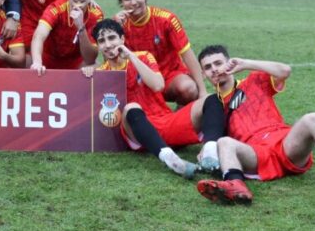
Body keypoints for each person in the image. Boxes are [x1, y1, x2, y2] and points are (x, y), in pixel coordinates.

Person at [195, 46, 315, 207]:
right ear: (203, 74)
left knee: (313, 118)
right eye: (208, 67)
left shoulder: (253, 81)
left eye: (218, 63)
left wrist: (246, 63)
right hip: (255, 153)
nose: (214, 70)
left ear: (228, 63)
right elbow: (209, 138)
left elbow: (284, 71)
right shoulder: (212, 106)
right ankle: (235, 187)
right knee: (225, 142)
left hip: (285, 143)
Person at [82, 19, 225, 177]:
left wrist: (131, 57)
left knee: (211, 99)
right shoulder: (102, 73)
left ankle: (210, 153)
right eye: (102, 41)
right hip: (138, 131)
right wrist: (87, 75)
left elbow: (158, 85)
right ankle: (170, 159)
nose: (108, 45)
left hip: (165, 120)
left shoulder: (143, 56)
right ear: (98, 46)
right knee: (131, 108)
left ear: (122, 39)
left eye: (112, 38)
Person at [114, 0, 205, 105]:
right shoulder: (118, 24)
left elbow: (187, 54)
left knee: (188, 88)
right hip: (140, 80)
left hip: (170, 77)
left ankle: (182, 114)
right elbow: (111, 61)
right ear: (121, 3)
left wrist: (202, 91)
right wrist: (116, 30)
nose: (133, 2)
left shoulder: (166, 19)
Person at [30, 0, 103, 75]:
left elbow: (90, 58)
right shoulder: (56, 8)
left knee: (97, 66)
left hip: (76, 64)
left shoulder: (96, 14)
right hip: (49, 60)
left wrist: (81, 27)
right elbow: (38, 36)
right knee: (28, 61)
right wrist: (37, 63)